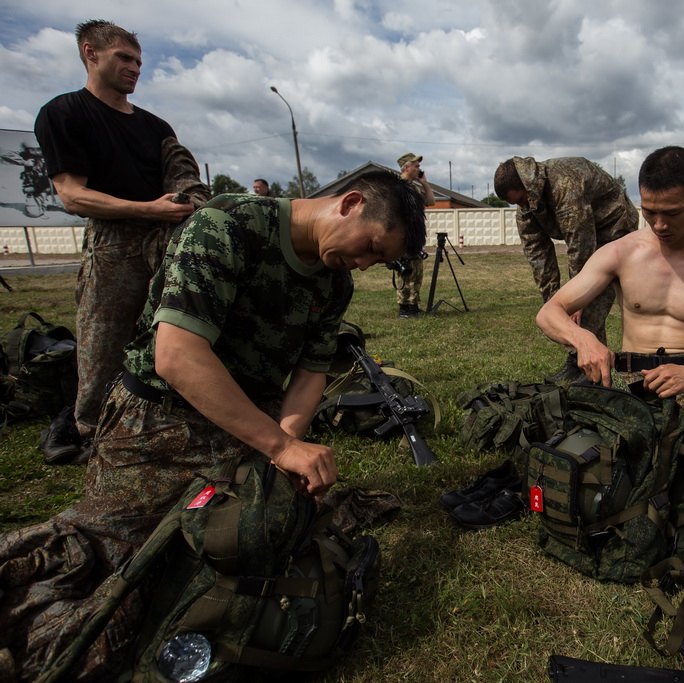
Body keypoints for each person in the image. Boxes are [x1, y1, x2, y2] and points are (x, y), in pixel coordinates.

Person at [0, 170, 426, 681]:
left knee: (225, 559)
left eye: (376, 261)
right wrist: (278, 445)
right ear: (350, 204)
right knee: (105, 564)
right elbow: (177, 357)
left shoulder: (334, 283)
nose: (362, 264)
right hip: (159, 423)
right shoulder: (226, 226)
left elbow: (311, 372)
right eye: (370, 248)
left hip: (243, 429)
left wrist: (282, 446)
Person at [535, 146, 684, 538]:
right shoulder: (624, 252)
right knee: (573, 477)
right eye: (649, 211)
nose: (659, 224)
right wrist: (583, 339)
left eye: (672, 212)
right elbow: (550, 311)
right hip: (627, 392)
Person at [34, 19, 208, 462]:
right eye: (123, 58)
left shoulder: (154, 126)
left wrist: (190, 200)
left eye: (138, 61)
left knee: (173, 333)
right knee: (102, 344)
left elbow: (180, 172)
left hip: (166, 236)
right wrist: (150, 208)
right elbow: (73, 195)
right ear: (90, 53)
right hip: (113, 242)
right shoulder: (65, 112)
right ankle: (90, 432)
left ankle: (171, 415)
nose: (134, 68)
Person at [494, 156, 638, 382]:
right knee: (566, 313)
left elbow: (580, 242)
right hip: (588, 234)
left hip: (614, 227)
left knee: (590, 304)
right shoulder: (526, 209)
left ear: (527, 185)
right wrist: (555, 304)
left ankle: (591, 370)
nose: (522, 207)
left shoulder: (564, 183)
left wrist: (576, 301)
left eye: (522, 199)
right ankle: (579, 359)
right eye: (516, 204)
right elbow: (538, 255)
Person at [395, 152, 435, 317]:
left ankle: (414, 306)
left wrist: (424, 183)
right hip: (403, 236)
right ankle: (404, 307)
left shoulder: (417, 186)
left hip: (417, 236)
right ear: (406, 167)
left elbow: (431, 201)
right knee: (405, 272)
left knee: (417, 272)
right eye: (416, 165)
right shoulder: (397, 186)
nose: (419, 168)